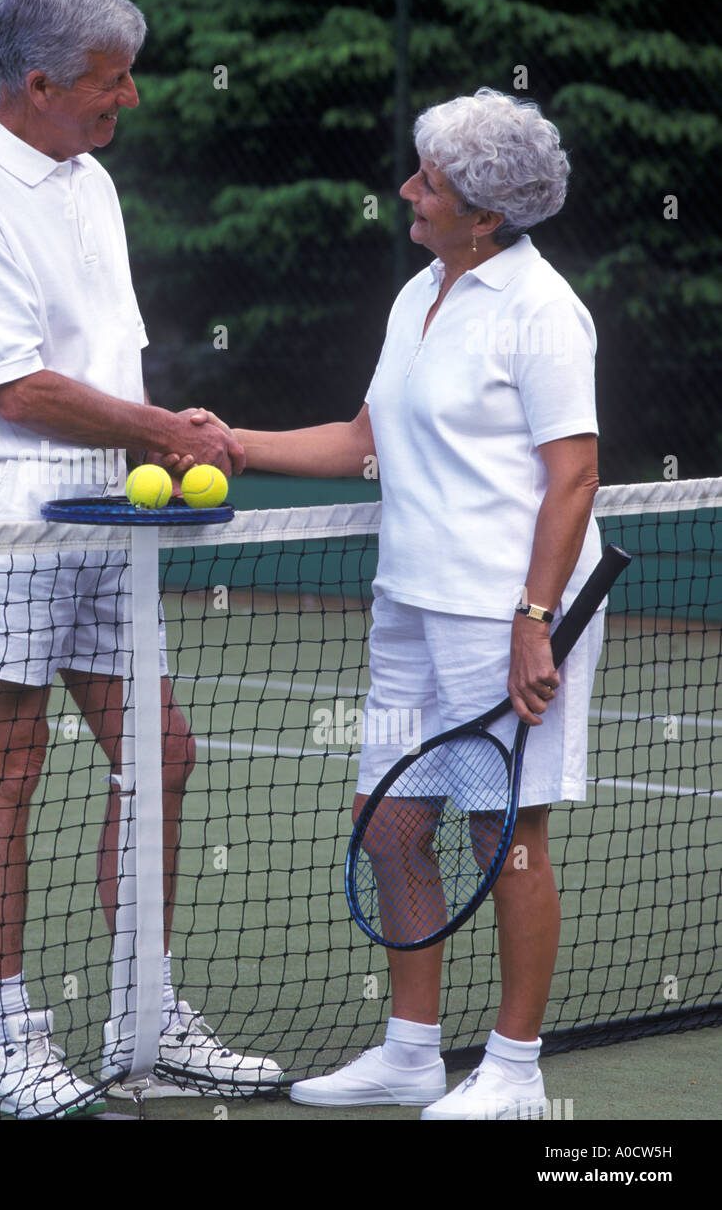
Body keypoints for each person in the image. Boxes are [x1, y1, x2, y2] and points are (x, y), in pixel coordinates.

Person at [0, 0, 281, 1118]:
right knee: (7, 772)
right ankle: (3, 1038)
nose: (130, 98)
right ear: (37, 80)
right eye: (110, 82)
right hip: (8, 512)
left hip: (113, 512)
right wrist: (164, 429)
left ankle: (141, 1008)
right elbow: (14, 389)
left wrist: (156, 444)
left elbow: (102, 363)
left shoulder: (87, 179)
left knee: (161, 751)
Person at [228, 88, 602, 1120]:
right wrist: (230, 443)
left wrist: (535, 620)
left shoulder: (541, 310)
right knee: (390, 827)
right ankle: (408, 1051)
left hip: (507, 610)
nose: (405, 189)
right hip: (409, 603)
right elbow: (363, 441)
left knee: (506, 838)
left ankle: (515, 1072)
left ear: (485, 213)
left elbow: (573, 475)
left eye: (427, 182)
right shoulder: (419, 293)